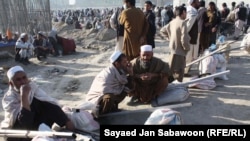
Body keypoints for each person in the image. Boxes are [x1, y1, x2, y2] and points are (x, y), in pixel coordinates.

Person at [1, 66, 75, 141]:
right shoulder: (9, 99)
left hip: (38, 128)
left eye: (24, 78)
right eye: (18, 80)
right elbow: (24, 123)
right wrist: (24, 96)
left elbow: (50, 105)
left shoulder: (33, 89)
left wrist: (66, 121)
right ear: (11, 83)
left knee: (45, 105)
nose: (23, 82)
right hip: (21, 134)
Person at [86, 51, 133, 117]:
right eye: (124, 62)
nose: (127, 64)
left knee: (130, 83)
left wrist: (130, 73)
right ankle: (103, 114)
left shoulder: (120, 70)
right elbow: (104, 91)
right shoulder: (108, 73)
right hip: (96, 99)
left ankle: (112, 108)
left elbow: (126, 83)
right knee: (108, 98)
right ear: (117, 64)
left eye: (126, 61)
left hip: (112, 94)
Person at [160, 6, 190, 82]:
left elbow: (162, 31)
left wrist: (170, 39)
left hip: (172, 51)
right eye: (185, 13)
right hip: (180, 52)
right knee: (179, 74)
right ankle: (177, 91)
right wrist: (186, 48)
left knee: (171, 72)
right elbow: (184, 39)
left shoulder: (172, 22)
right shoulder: (182, 23)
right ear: (183, 12)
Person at [184, 0, 200, 76]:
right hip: (190, 37)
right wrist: (184, 35)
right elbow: (188, 25)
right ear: (193, 2)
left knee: (189, 55)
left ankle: (186, 69)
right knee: (188, 55)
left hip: (191, 36)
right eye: (197, 2)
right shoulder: (192, 11)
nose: (199, 3)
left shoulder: (192, 10)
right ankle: (184, 71)